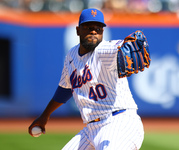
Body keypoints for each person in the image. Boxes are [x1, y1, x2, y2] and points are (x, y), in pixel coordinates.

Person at [28, 8, 145, 150]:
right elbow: (65, 89)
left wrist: (127, 45)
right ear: (78, 30)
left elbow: (118, 47)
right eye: (89, 27)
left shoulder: (104, 50)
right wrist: (45, 116)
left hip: (120, 122)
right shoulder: (71, 56)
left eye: (98, 28)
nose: (94, 31)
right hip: (91, 129)